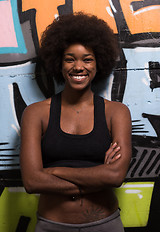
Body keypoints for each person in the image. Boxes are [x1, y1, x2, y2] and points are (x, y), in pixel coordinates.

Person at [20, 12, 132, 232]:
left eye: (87, 59)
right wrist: (97, 176)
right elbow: (32, 182)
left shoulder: (116, 113)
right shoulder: (36, 114)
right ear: (59, 64)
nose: (78, 66)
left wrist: (52, 172)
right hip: (51, 225)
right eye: (70, 59)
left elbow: (115, 176)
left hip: (106, 225)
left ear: (99, 63)